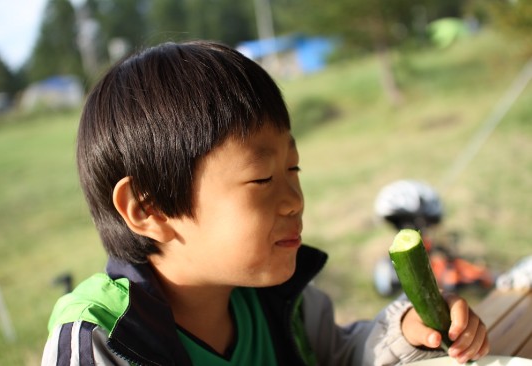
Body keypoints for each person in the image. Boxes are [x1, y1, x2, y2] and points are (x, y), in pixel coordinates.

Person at [41, 40, 489, 366]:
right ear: (148, 208)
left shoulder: (279, 299)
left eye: (293, 170)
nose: (294, 200)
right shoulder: (105, 340)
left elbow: (340, 354)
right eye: (262, 178)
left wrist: (408, 330)